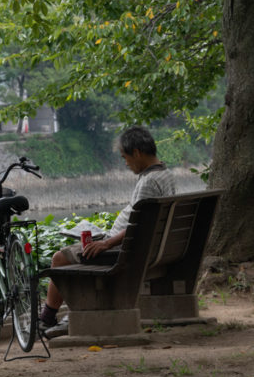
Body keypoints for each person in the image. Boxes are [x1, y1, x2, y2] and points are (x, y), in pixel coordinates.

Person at [39, 125, 176, 338]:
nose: (126, 163)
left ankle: (47, 319)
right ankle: (63, 315)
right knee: (77, 248)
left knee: (59, 259)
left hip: (124, 252)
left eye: (125, 158)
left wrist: (106, 243)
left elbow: (139, 226)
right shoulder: (165, 174)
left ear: (137, 153)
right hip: (147, 248)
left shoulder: (148, 182)